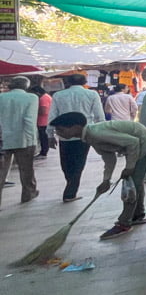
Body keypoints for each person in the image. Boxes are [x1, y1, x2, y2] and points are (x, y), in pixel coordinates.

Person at [50, 112, 146, 240]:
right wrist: (106, 180)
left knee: (132, 183)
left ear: (76, 127)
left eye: (61, 130)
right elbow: (109, 158)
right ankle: (138, 215)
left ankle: (124, 223)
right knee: (135, 182)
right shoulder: (90, 137)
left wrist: (129, 167)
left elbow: (133, 142)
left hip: (143, 142)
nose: (59, 134)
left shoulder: (96, 133)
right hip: (137, 144)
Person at [48, 73, 104, 202]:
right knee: (79, 162)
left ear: (67, 82)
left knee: (66, 163)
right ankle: (70, 190)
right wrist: (101, 132)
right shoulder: (92, 94)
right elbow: (99, 115)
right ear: (85, 82)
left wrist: (50, 134)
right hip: (84, 133)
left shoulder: (58, 95)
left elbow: (52, 116)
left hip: (64, 134)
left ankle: (70, 188)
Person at [0, 77, 39, 207]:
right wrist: (32, 140)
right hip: (22, 139)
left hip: (3, 139)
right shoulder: (31, 98)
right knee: (26, 169)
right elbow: (29, 120)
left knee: (1, 171)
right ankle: (28, 193)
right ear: (26, 86)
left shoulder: (1, 97)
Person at [29, 86, 51, 158]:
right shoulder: (46, 97)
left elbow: (43, 111)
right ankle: (43, 152)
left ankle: (43, 153)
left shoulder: (43, 99)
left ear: (37, 92)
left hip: (43, 122)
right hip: (45, 121)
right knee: (43, 138)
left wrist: (33, 111)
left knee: (43, 138)